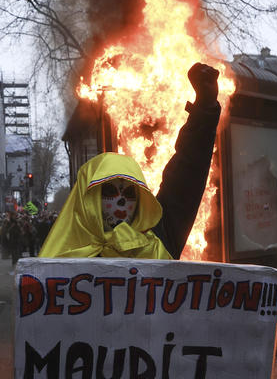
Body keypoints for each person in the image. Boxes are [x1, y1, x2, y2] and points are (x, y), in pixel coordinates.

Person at [39, 63, 221, 260]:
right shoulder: (67, 256)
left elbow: (185, 179)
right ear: (90, 199)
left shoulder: (157, 242)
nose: (121, 201)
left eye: (129, 193)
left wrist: (205, 109)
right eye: (109, 192)